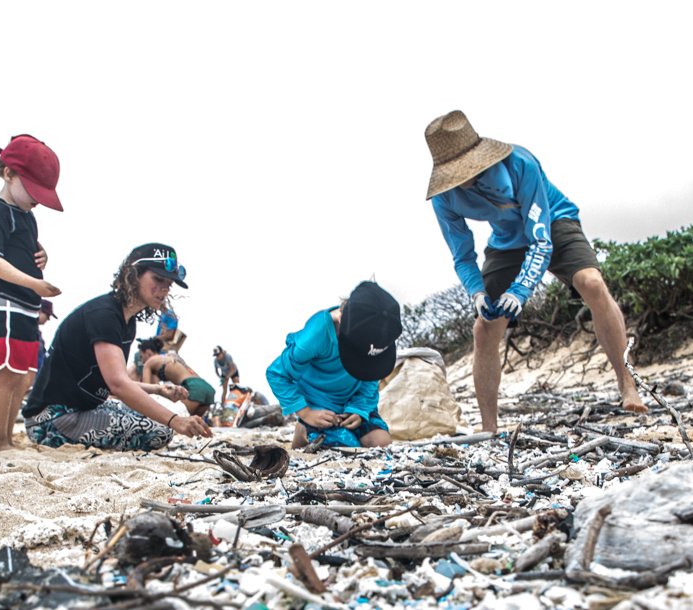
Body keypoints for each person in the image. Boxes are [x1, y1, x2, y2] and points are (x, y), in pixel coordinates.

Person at [424, 110, 647, 432]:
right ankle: (489, 428)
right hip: (505, 241)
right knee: (483, 327)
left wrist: (520, 291)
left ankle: (628, 383)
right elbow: (462, 255)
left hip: (554, 222)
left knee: (592, 283)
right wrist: (476, 291)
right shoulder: (444, 198)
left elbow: (540, 241)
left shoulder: (521, 163)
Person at [22, 243, 212, 450]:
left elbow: (111, 379)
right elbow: (118, 384)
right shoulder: (104, 314)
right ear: (133, 275)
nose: (164, 289)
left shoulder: (126, 321)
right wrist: (175, 421)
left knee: (167, 412)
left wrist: (158, 389)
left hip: (82, 407)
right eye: (158, 279)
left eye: (169, 283)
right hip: (51, 419)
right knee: (162, 429)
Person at [0, 134, 64, 451]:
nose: (37, 199)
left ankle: (8, 438)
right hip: (5, 302)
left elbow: (24, 246)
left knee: (26, 377)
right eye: (33, 190)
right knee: (9, 374)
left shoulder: (26, 215)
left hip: (26, 306)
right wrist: (35, 284)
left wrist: (42, 255)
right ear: (9, 173)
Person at [265, 280, 401, 449]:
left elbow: (371, 377)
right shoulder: (316, 335)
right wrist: (306, 413)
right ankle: (302, 429)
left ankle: (348, 419)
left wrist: (359, 410)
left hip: (354, 403)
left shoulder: (377, 334)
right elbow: (276, 374)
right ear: (342, 318)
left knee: (381, 443)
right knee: (340, 443)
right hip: (319, 407)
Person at [134, 336, 217, 417]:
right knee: (194, 425)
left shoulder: (150, 362)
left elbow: (147, 392)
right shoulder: (168, 358)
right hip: (206, 387)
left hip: (193, 387)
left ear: (148, 352)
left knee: (179, 420)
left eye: (141, 356)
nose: (142, 361)